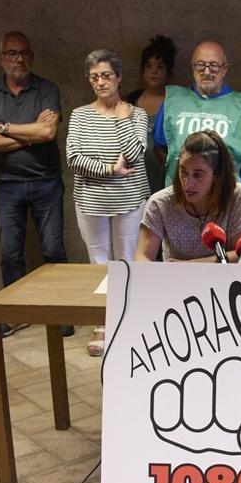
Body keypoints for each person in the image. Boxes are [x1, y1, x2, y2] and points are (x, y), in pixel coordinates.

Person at [0, 31, 71, 338]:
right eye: (12, 53)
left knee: (53, 250)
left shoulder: (47, 89)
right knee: (10, 253)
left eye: (24, 53)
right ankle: (14, 314)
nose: (19, 59)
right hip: (6, 184)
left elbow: (47, 133)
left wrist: (2, 128)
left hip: (46, 182)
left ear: (32, 57)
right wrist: (28, 135)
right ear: (1, 58)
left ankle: (61, 313)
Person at [67, 49, 150, 355]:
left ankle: (126, 322)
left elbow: (135, 155)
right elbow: (74, 158)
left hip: (129, 200)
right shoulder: (79, 115)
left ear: (118, 77)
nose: (100, 82)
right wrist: (109, 169)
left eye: (106, 75)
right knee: (99, 263)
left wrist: (123, 120)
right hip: (90, 202)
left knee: (127, 261)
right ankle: (102, 323)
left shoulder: (136, 114)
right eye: (94, 77)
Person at [135, 130, 241, 262]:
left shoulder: (238, 197)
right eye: (183, 172)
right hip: (174, 275)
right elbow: (142, 257)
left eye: (198, 175)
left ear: (216, 174)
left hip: (222, 275)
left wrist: (188, 265)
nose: (187, 183)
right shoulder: (160, 203)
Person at [152, 41, 241, 184]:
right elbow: (159, 147)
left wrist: (229, 177)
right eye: (201, 65)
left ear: (224, 69)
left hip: (224, 193)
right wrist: (177, 173)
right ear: (193, 68)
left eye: (214, 65)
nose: (207, 72)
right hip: (181, 191)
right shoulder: (173, 101)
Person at [124, 35, 176, 196]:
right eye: (148, 66)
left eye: (160, 67)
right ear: (142, 70)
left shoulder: (175, 103)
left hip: (165, 179)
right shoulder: (129, 101)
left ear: (168, 72)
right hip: (133, 182)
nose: (154, 71)